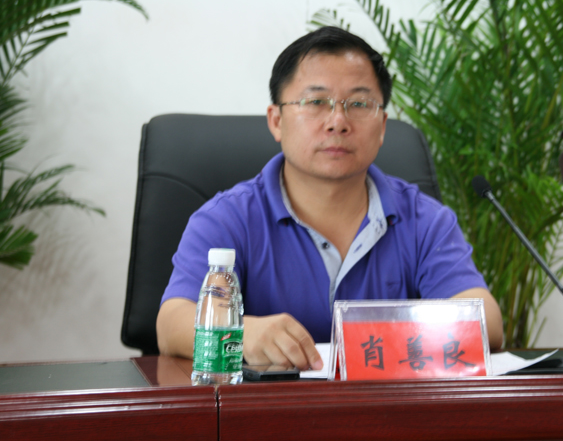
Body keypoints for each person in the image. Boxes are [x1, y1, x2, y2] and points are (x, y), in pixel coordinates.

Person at [156, 26, 503, 370]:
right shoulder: (226, 218)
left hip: (389, 404)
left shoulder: (425, 219)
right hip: (267, 406)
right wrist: (243, 334)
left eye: (359, 104)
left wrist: (378, 343)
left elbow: (485, 320)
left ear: (382, 126)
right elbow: (172, 323)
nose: (338, 122)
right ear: (276, 121)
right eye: (316, 102)